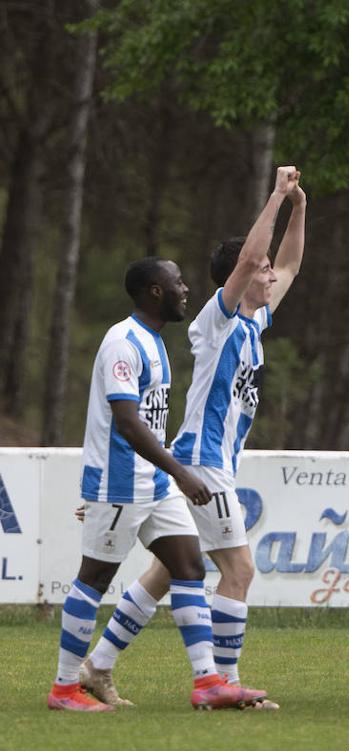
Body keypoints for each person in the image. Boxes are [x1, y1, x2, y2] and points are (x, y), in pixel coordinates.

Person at [75, 167, 306, 710]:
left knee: (163, 573)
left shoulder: (256, 321)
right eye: (263, 270)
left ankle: (98, 665)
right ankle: (223, 683)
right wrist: (274, 196)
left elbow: (292, 261)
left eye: (270, 271)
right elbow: (254, 258)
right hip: (202, 462)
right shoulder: (217, 321)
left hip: (207, 461)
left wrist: (299, 206)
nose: (272, 275)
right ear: (241, 276)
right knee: (239, 570)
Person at [48, 257, 266, 712]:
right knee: (94, 579)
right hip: (121, 481)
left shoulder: (154, 342)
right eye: (177, 282)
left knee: (189, 567)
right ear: (153, 291)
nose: (186, 289)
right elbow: (127, 423)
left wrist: (169, 477)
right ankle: (65, 688)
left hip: (153, 483)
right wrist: (181, 473)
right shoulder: (122, 342)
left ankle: (207, 682)